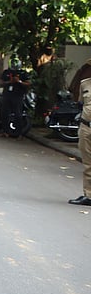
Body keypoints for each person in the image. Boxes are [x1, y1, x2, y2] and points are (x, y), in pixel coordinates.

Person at [69, 75, 91, 206]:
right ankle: (89, 195)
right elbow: (80, 103)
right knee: (88, 163)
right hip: (86, 127)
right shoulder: (85, 84)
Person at [0, 64, 31, 137]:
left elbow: (28, 83)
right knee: (4, 114)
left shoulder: (23, 73)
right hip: (7, 95)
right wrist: (9, 82)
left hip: (18, 96)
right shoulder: (6, 72)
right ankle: (5, 131)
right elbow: (0, 83)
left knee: (18, 114)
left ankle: (19, 133)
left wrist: (19, 81)